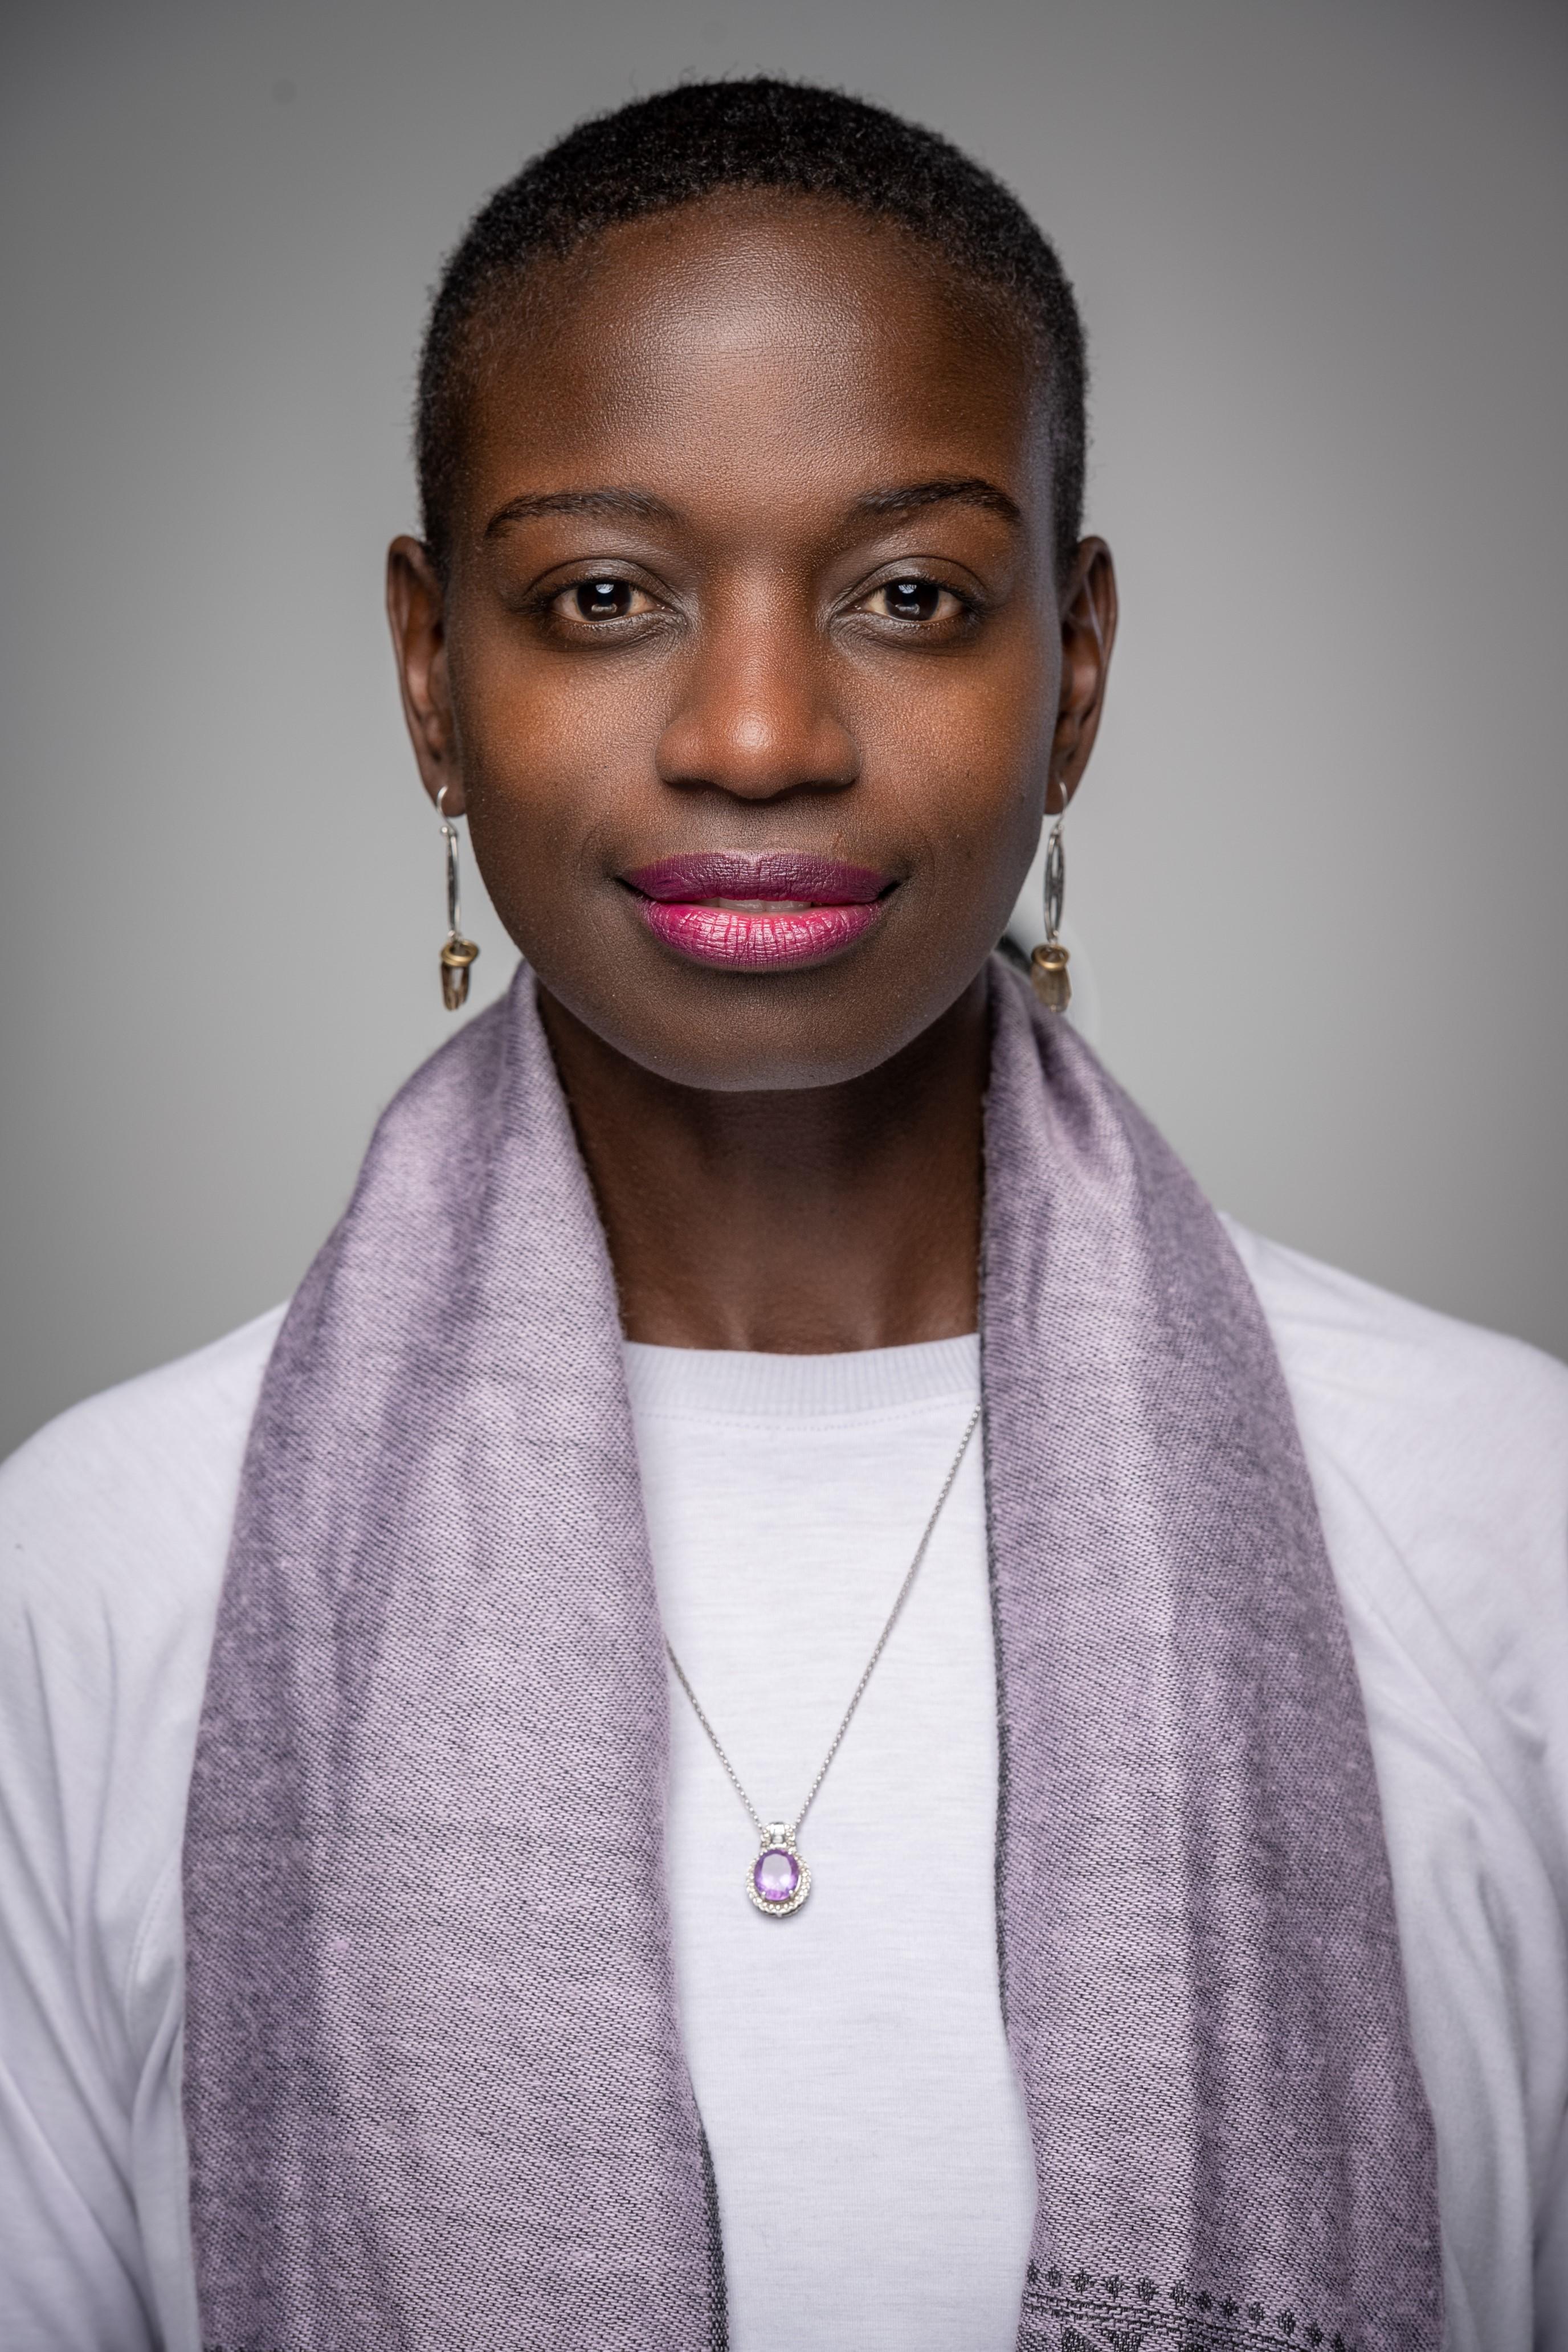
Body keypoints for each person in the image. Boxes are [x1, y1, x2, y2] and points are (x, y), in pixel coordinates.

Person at [1, 76, 1565, 2352]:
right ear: (432, 676)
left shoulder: (1508, 1523)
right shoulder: (93, 1580)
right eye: (606, 596)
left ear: (1078, 669)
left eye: (907, 593)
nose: (754, 733)